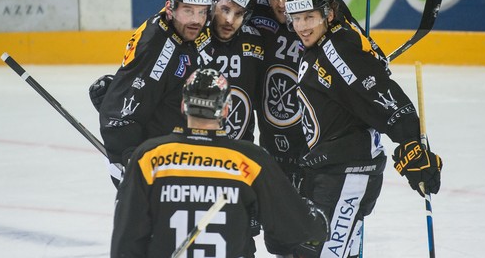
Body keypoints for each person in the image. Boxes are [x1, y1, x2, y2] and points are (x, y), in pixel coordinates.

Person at [284, 0, 443, 258]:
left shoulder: (336, 51)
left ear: (327, 15)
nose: (302, 27)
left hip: (346, 176)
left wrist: (410, 143)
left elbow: (383, 96)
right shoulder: (322, 45)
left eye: (309, 17)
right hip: (330, 174)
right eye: (296, 18)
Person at [110, 68, 329, 258]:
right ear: (225, 110)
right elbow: (293, 228)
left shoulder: (150, 156)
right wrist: (315, 221)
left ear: (183, 106)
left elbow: (126, 240)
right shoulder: (249, 160)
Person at [95, 0, 214, 183]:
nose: (197, 20)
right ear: (171, 8)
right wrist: (131, 158)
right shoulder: (158, 48)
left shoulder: (176, 30)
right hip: (148, 168)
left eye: (202, 12)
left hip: (169, 157)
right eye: (188, 11)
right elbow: (122, 114)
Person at [250, 0, 308, 188]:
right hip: (272, 137)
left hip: (316, 141)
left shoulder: (317, 14)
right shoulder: (256, 8)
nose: (282, 3)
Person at [203, 0, 264, 142]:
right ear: (214, 3)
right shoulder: (193, 38)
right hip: (199, 154)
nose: (230, 20)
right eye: (225, 9)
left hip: (241, 154)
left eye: (239, 13)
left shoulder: (256, 41)